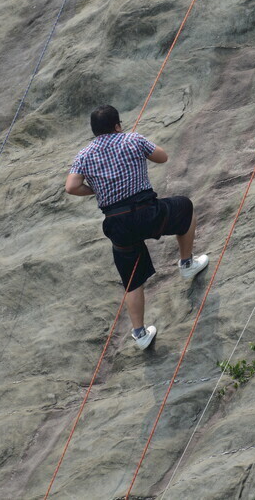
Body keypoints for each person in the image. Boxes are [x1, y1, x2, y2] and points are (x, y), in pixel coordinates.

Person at [65, 105, 208, 349]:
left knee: (132, 279)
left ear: (94, 130)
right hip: (148, 213)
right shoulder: (132, 139)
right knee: (185, 207)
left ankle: (140, 334)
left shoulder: (84, 155)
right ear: (117, 125)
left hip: (118, 224)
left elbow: (71, 186)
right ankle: (186, 264)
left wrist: (95, 189)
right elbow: (162, 157)